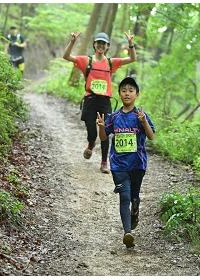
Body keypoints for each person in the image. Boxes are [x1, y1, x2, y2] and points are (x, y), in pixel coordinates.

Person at [63, 31, 136, 174]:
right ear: (94, 45)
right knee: (92, 132)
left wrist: (130, 44)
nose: (101, 46)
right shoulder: (86, 60)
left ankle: (104, 162)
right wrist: (72, 42)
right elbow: (66, 56)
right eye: (99, 43)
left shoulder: (111, 62)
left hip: (105, 101)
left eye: (104, 43)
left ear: (108, 46)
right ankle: (91, 143)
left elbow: (132, 58)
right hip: (90, 100)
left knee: (105, 132)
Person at [97, 77, 155, 248]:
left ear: (137, 94)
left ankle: (135, 208)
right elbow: (103, 137)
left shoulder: (140, 116)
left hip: (137, 164)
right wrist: (101, 126)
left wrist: (144, 121)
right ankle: (127, 233)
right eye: (123, 90)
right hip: (118, 165)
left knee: (134, 197)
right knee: (124, 197)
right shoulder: (114, 117)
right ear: (119, 94)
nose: (127, 93)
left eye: (131, 90)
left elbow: (151, 137)